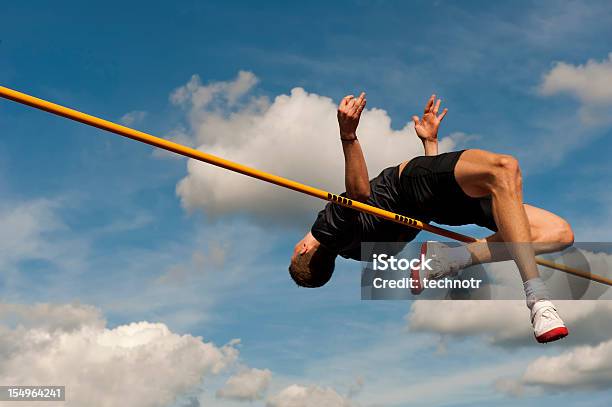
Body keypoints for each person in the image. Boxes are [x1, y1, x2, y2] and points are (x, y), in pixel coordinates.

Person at [289, 92, 574, 343]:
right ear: (302, 249)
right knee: (504, 167)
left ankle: (451, 259)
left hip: (434, 204)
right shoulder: (326, 229)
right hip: (412, 186)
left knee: (559, 233)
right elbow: (360, 195)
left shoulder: (361, 252)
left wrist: (430, 147)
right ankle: (537, 297)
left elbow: (422, 206)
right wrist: (348, 135)